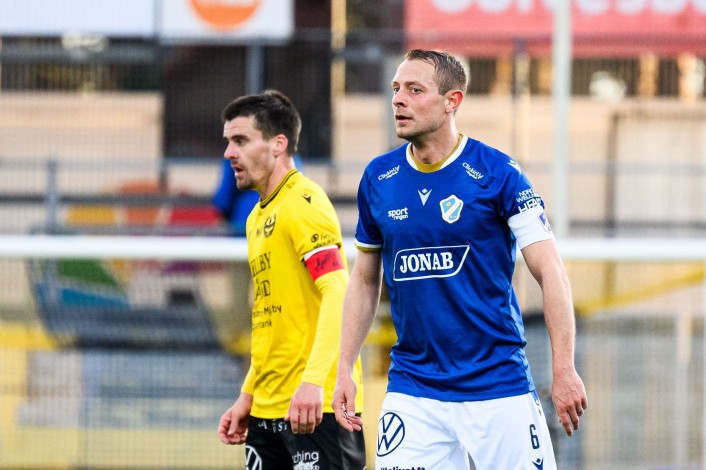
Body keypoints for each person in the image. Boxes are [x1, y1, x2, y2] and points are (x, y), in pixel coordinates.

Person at [332, 49, 588, 469]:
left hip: (498, 385)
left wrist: (564, 368)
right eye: (396, 89)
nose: (398, 99)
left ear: (452, 101)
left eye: (415, 90)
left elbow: (551, 272)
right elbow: (363, 281)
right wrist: (344, 366)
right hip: (414, 388)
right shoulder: (379, 178)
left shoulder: (499, 173)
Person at [216, 90, 366, 470]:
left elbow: (338, 291)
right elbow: (271, 318)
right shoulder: (255, 218)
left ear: (278, 144)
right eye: (228, 142)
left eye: (241, 140)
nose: (229, 153)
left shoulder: (303, 202)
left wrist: (314, 382)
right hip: (268, 407)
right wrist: (248, 393)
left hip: (317, 407)